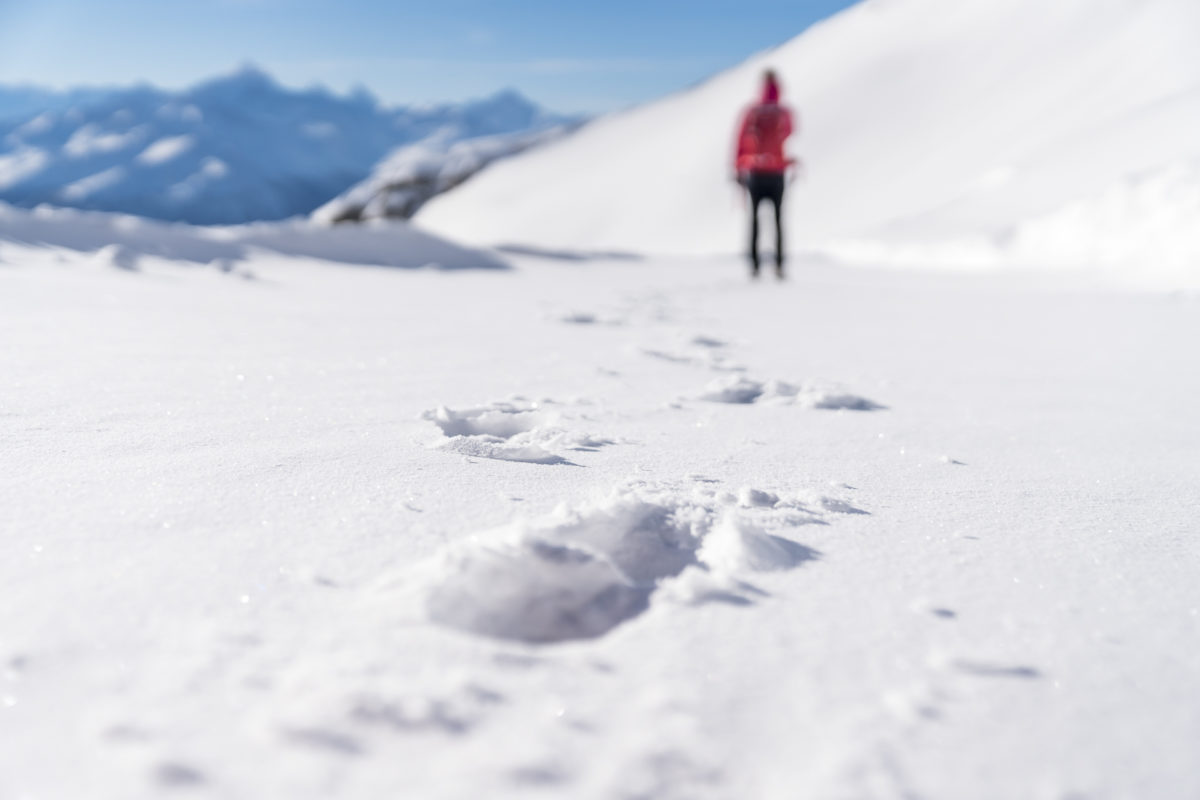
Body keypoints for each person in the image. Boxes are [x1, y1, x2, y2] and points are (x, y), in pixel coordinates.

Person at [733, 70, 796, 278]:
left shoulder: (752, 111)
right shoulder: (784, 112)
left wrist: (738, 169)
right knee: (778, 220)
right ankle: (779, 264)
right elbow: (790, 134)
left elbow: (740, 141)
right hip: (777, 173)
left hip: (755, 173)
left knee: (754, 221)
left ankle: (754, 265)